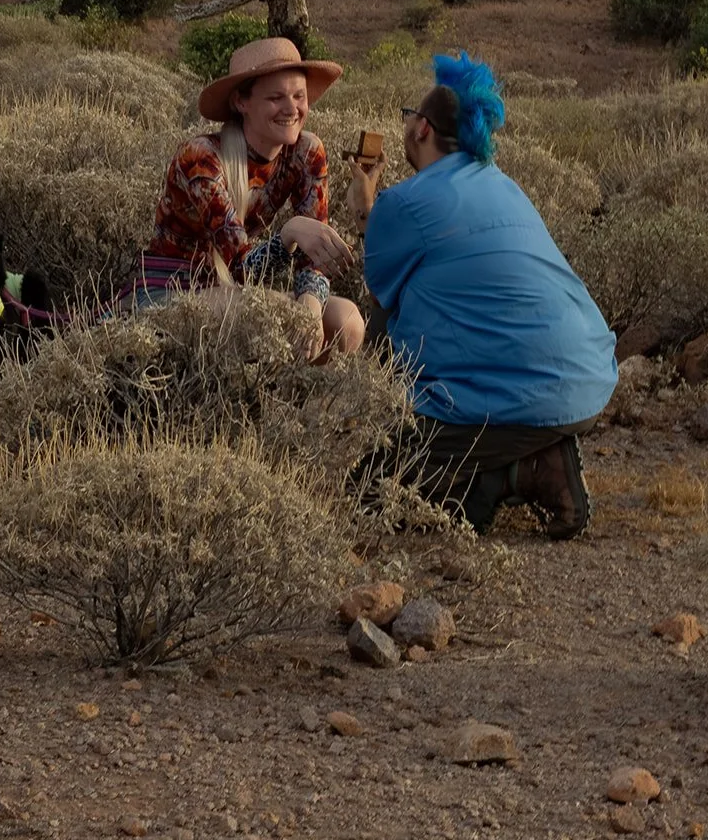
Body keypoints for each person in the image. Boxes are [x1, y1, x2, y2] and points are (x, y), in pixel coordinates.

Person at [347, 51, 617, 536]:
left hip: (522, 400)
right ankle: (536, 452)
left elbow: (379, 301)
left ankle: (517, 472)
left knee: (367, 491)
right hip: (589, 382)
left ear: (422, 128)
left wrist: (367, 212)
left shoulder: (402, 203)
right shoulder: (504, 184)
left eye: (410, 116)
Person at [124, 37, 364, 359]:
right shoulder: (201, 157)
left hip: (231, 292)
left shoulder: (306, 153)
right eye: (276, 98)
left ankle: (293, 388)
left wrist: (309, 304)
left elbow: (314, 262)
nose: (291, 108)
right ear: (241, 102)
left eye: (299, 96)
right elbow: (242, 267)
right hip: (169, 291)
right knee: (274, 312)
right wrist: (290, 233)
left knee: (346, 320)